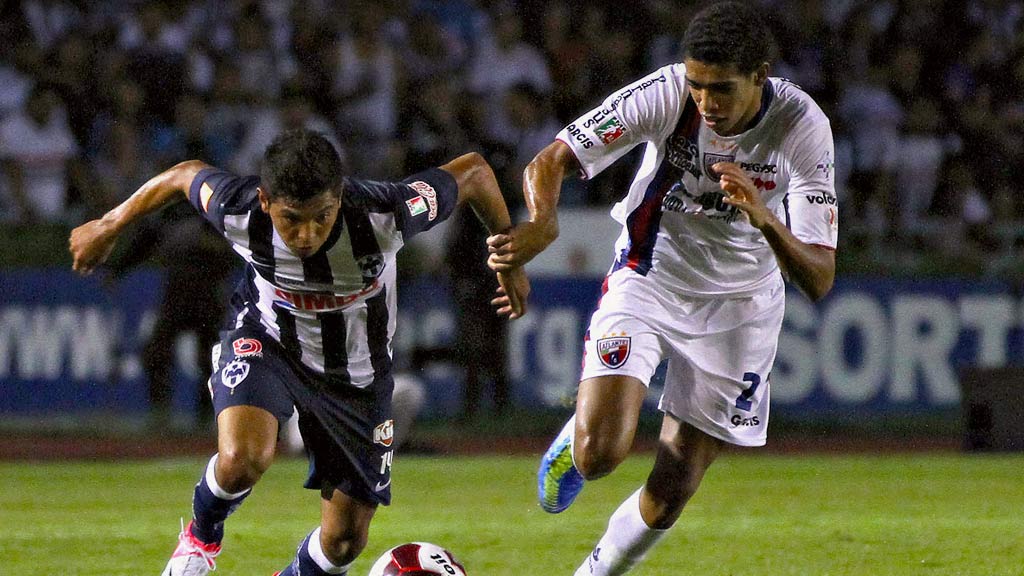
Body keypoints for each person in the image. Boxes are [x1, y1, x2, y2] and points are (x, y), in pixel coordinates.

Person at [69, 128, 529, 576]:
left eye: (322, 216)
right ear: (266, 202)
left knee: (344, 543)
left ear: (341, 195)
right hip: (268, 343)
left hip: (357, 376)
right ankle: (201, 539)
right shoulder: (239, 208)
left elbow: (473, 173)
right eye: (292, 218)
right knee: (242, 459)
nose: (306, 234)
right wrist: (110, 223)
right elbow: (182, 176)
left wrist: (508, 258)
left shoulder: (385, 212)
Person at [487, 3, 838, 575]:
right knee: (599, 455)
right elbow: (550, 160)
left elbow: (819, 277)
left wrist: (766, 220)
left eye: (721, 90)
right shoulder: (667, 93)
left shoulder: (802, 127)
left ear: (760, 76)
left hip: (742, 305)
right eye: (698, 86)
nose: (707, 103)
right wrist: (544, 222)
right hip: (650, 274)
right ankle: (576, 437)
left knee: (674, 485)